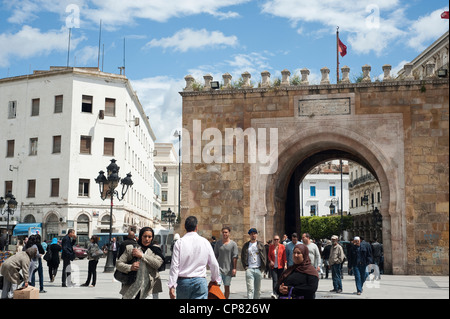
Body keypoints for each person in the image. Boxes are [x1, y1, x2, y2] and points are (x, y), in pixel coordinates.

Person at [169, 216, 221, 299]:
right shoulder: (205, 242)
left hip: (183, 282)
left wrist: (172, 285)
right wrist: (215, 279)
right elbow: (214, 264)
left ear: (185, 227)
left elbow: (174, 266)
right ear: (197, 227)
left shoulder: (179, 243)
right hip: (200, 281)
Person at [116, 227, 164, 299]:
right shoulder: (131, 249)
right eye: (145, 236)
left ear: (152, 238)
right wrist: (130, 267)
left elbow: (157, 264)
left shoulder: (155, 250)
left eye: (149, 237)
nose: (147, 239)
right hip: (132, 288)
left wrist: (142, 256)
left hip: (149, 290)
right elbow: (118, 264)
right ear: (141, 236)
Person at [241, 228, 266, 299]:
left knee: (258, 290)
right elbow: (243, 256)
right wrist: (246, 267)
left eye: (254, 234)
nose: (253, 235)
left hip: (258, 269)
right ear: (249, 235)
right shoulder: (246, 245)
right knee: (250, 289)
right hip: (250, 269)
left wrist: (263, 268)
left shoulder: (260, 245)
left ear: (257, 235)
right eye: (251, 234)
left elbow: (264, 256)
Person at [214, 226, 238, 299]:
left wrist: (234, 268)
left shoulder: (233, 244)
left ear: (229, 233)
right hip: (219, 269)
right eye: (223, 232)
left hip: (228, 269)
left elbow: (235, 257)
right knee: (217, 286)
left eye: (226, 232)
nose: (225, 234)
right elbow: (215, 256)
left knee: (227, 287)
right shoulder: (218, 243)